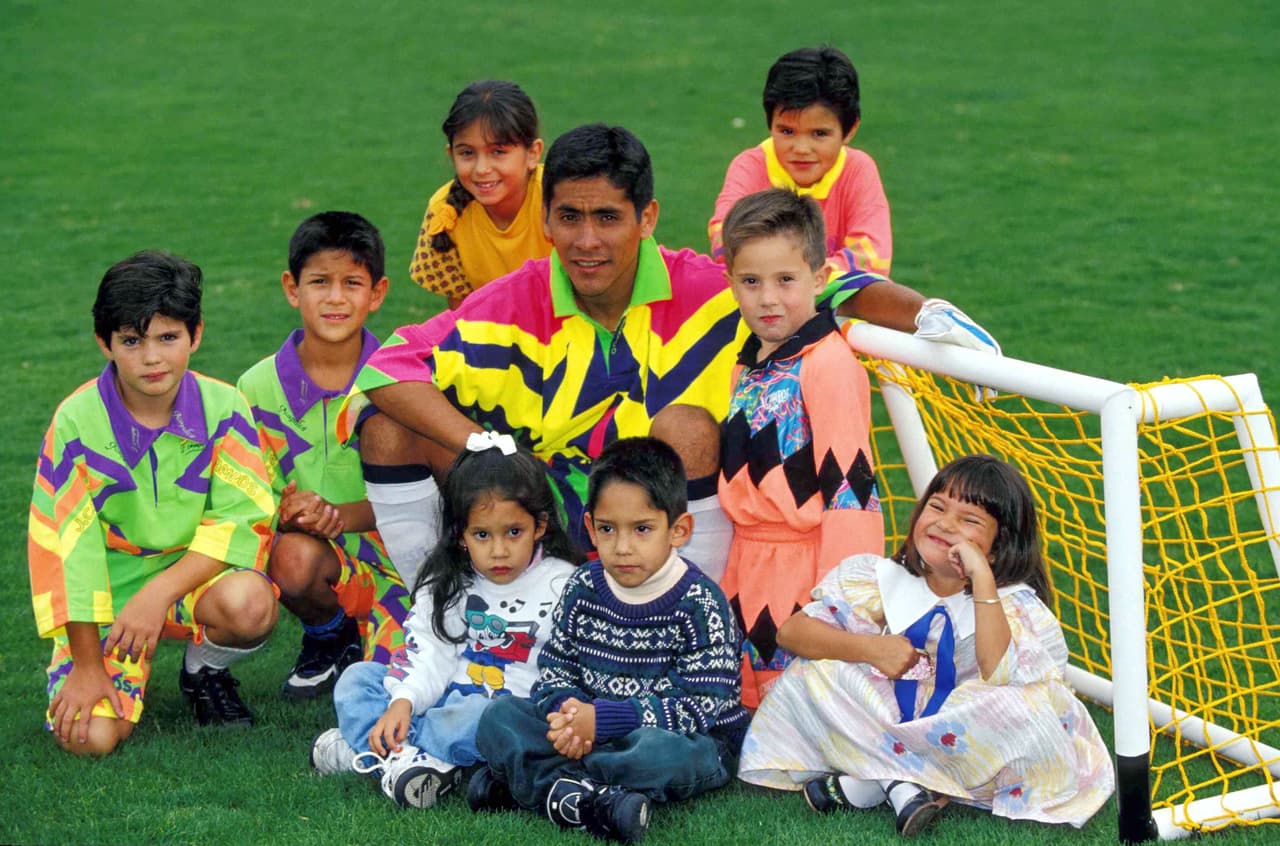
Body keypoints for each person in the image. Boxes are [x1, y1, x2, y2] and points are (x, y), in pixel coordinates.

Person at [340, 123, 995, 588]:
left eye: (607, 218)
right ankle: (440, 613)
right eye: (569, 217)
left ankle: (694, 627)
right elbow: (386, 367)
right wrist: (486, 446)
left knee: (684, 426)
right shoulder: (511, 301)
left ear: (647, 217)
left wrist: (925, 312)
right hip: (550, 521)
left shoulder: (712, 290)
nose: (586, 240)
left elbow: (833, 280)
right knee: (388, 423)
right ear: (546, 220)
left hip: (670, 530)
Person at [736, 455, 1115, 835]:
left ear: (998, 548)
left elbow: (999, 672)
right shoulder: (880, 577)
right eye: (937, 507)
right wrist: (872, 650)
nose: (945, 524)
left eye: (969, 520)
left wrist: (981, 577)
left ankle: (884, 778)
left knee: (1020, 708)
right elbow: (792, 633)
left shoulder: (1012, 603)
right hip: (891, 716)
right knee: (813, 674)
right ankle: (906, 782)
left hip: (963, 724)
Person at [27, 250, 279, 756]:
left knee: (251, 603)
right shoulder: (76, 422)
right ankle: (105, 665)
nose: (151, 358)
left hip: (191, 578)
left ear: (196, 335)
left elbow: (242, 521)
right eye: (131, 340)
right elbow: (68, 550)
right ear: (105, 343)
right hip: (106, 594)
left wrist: (158, 594)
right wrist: (88, 666)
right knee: (89, 739)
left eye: (168, 337)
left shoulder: (224, 407)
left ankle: (203, 668)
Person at [468, 438, 748, 843]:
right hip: (586, 725)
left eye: (642, 529)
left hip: (683, 738)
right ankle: (591, 799)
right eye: (607, 529)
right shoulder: (583, 586)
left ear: (678, 530)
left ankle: (533, 785)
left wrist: (603, 720)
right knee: (501, 717)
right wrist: (567, 710)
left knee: (658, 754)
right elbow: (555, 668)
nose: (622, 547)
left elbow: (699, 707)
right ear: (590, 529)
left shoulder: (701, 603)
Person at [309, 434, 580, 809]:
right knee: (358, 679)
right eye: (482, 535)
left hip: (503, 710)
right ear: (461, 535)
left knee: (483, 717)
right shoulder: (448, 583)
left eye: (513, 532)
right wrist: (403, 701)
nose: (499, 550)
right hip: (438, 696)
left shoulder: (565, 584)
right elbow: (430, 654)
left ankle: (380, 753)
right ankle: (410, 759)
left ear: (540, 525)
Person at [716, 188, 884, 709]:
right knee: (743, 714)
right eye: (751, 282)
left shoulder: (828, 363)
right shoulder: (747, 362)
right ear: (732, 284)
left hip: (803, 571)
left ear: (819, 277)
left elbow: (852, 490)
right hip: (746, 563)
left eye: (785, 280)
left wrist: (838, 607)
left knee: (802, 711)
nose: (768, 298)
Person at [237, 211, 411, 700]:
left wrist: (337, 515)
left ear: (376, 293)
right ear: (293, 289)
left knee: (394, 690)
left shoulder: (403, 378)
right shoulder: (254, 388)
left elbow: (427, 495)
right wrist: (293, 515)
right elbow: (248, 496)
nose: (335, 298)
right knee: (289, 558)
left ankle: (372, 640)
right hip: (315, 555)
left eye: (352, 282)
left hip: (403, 561)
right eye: (319, 282)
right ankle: (328, 634)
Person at [709, 45, 892, 278]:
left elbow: (872, 257)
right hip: (766, 302)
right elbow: (724, 239)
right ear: (770, 124)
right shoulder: (749, 167)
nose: (801, 149)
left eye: (819, 134)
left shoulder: (858, 170)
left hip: (838, 306)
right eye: (787, 131)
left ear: (849, 130)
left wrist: (795, 279)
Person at [408, 80, 549, 308]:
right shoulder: (444, 212)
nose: (481, 169)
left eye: (498, 151)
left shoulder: (560, 199)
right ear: (451, 154)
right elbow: (463, 317)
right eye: (467, 153)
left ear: (533, 153)